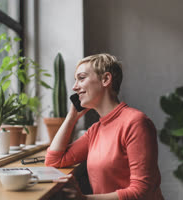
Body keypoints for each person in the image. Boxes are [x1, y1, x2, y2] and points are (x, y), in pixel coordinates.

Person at [45, 53, 164, 200]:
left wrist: (84, 199)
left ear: (106, 79)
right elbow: (53, 161)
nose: (74, 87)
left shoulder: (136, 123)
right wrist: (71, 117)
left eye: (81, 78)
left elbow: (142, 192)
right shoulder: (96, 130)